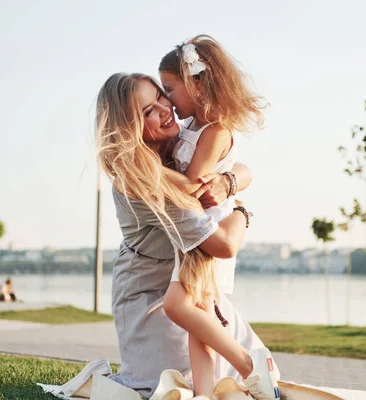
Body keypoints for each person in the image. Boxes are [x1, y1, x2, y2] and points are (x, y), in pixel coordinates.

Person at [95, 72, 279, 400]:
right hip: (151, 294)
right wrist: (241, 210)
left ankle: (245, 368)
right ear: (129, 129)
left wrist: (232, 180)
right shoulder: (144, 180)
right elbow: (224, 244)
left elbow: (237, 165)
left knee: (252, 380)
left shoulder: (179, 151)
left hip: (191, 283)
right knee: (173, 387)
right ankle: (242, 369)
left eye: (162, 96)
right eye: (148, 111)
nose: (165, 109)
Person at [157, 35, 277, 400]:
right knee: (201, 323)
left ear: (197, 82)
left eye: (170, 89)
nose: (169, 101)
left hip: (207, 237)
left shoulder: (216, 132)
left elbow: (192, 185)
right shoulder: (193, 128)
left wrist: (144, 168)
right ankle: (204, 394)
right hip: (194, 237)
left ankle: (247, 366)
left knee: (176, 305)